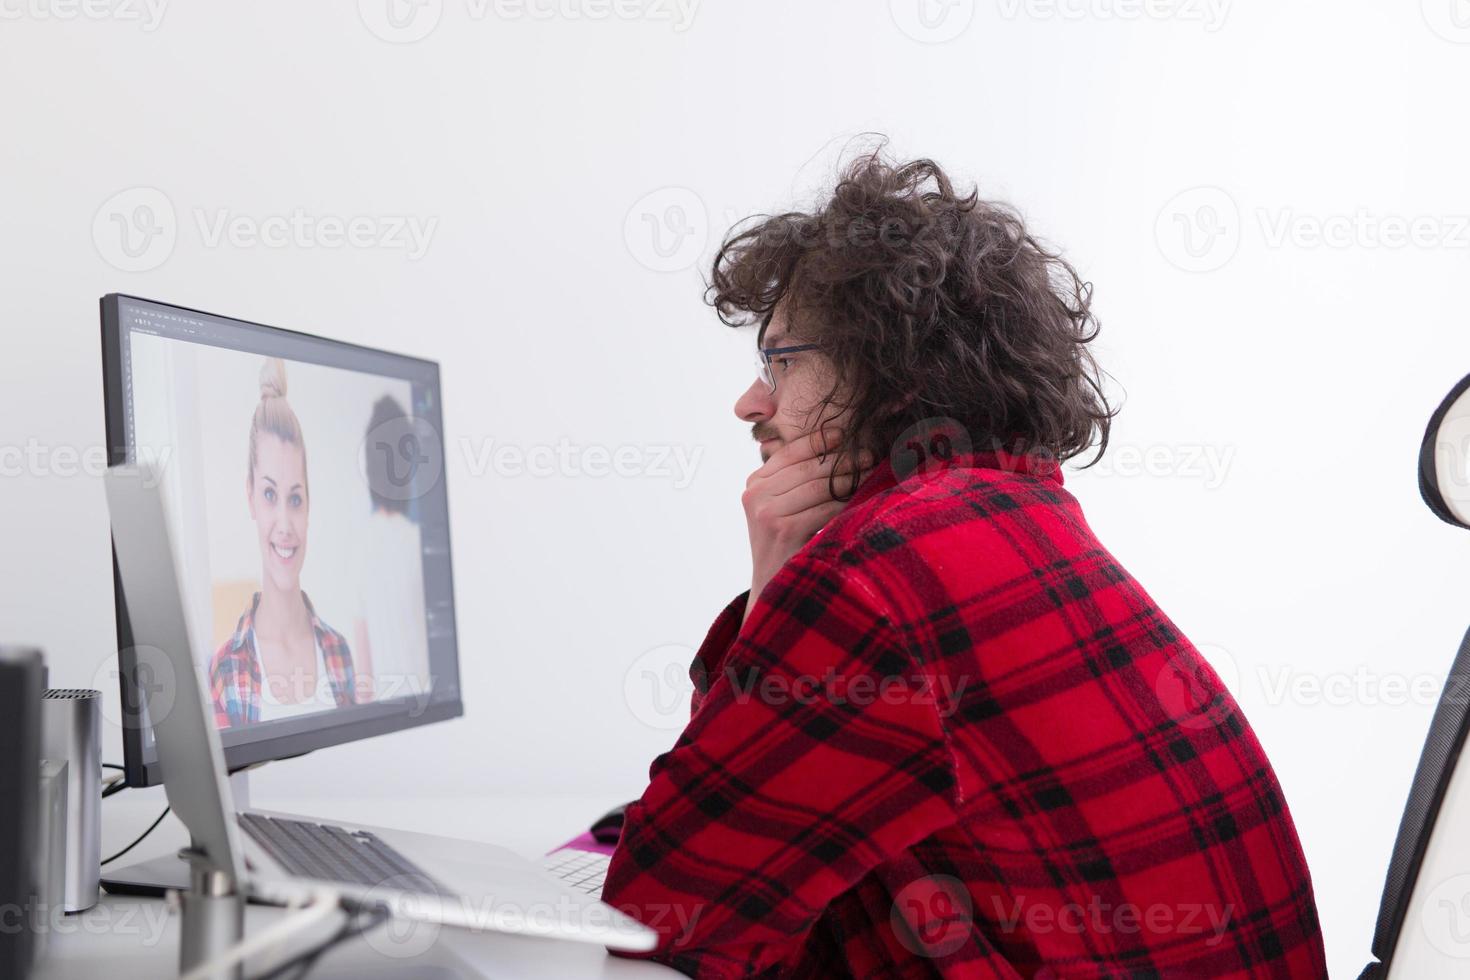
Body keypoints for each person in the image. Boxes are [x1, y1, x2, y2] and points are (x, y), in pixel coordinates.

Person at [601, 150, 1327, 977]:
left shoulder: (876, 572)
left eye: (781, 361)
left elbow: (665, 908)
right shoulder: (1019, 515)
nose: (750, 404)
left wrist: (772, 602)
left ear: (884, 362)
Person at [209, 357, 358, 728]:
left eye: (295, 499)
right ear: (250, 497)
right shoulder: (226, 668)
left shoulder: (339, 653)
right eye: (270, 495)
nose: (286, 525)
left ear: (309, 505)